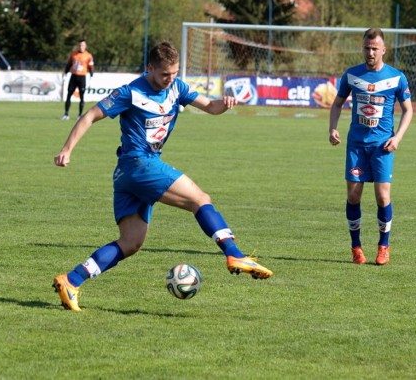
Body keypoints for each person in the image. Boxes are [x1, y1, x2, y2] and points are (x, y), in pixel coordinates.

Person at [52, 42, 273, 312]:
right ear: (150, 68)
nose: (170, 79)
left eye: (175, 73)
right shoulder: (130, 92)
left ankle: (71, 280)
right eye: (164, 74)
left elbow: (211, 107)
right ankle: (236, 255)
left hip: (129, 174)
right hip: (138, 165)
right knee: (200, 199)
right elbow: (89, 116)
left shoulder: (177, 87)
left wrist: (224, 104)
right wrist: (66, 149)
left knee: (131, 243)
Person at [329, 28, 413, 266]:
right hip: (356, 145)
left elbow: (408, 110)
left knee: (382, 197)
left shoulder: (396, 77)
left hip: (382, 147)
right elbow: (336, 105)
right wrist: (332, 128)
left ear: (383, 50)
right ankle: (356, 248)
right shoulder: (352, 75)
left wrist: (397, 138)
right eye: (367, 48)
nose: (370, 52)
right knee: (353, 196)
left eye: (375, 48)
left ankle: (383, 246)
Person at [61, 39, 94, 120]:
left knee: (82, 96)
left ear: (85, 46)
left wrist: (91, 77)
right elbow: (69, 64)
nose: (81, 47)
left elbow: (91, 67)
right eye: (80, 45)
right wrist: (65, 73)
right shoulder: (73, 54)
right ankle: (66, 114)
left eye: (82, 45)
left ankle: (80, 115)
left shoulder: (88, 55)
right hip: (74, 76)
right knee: (69, 95)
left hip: (82, 77)